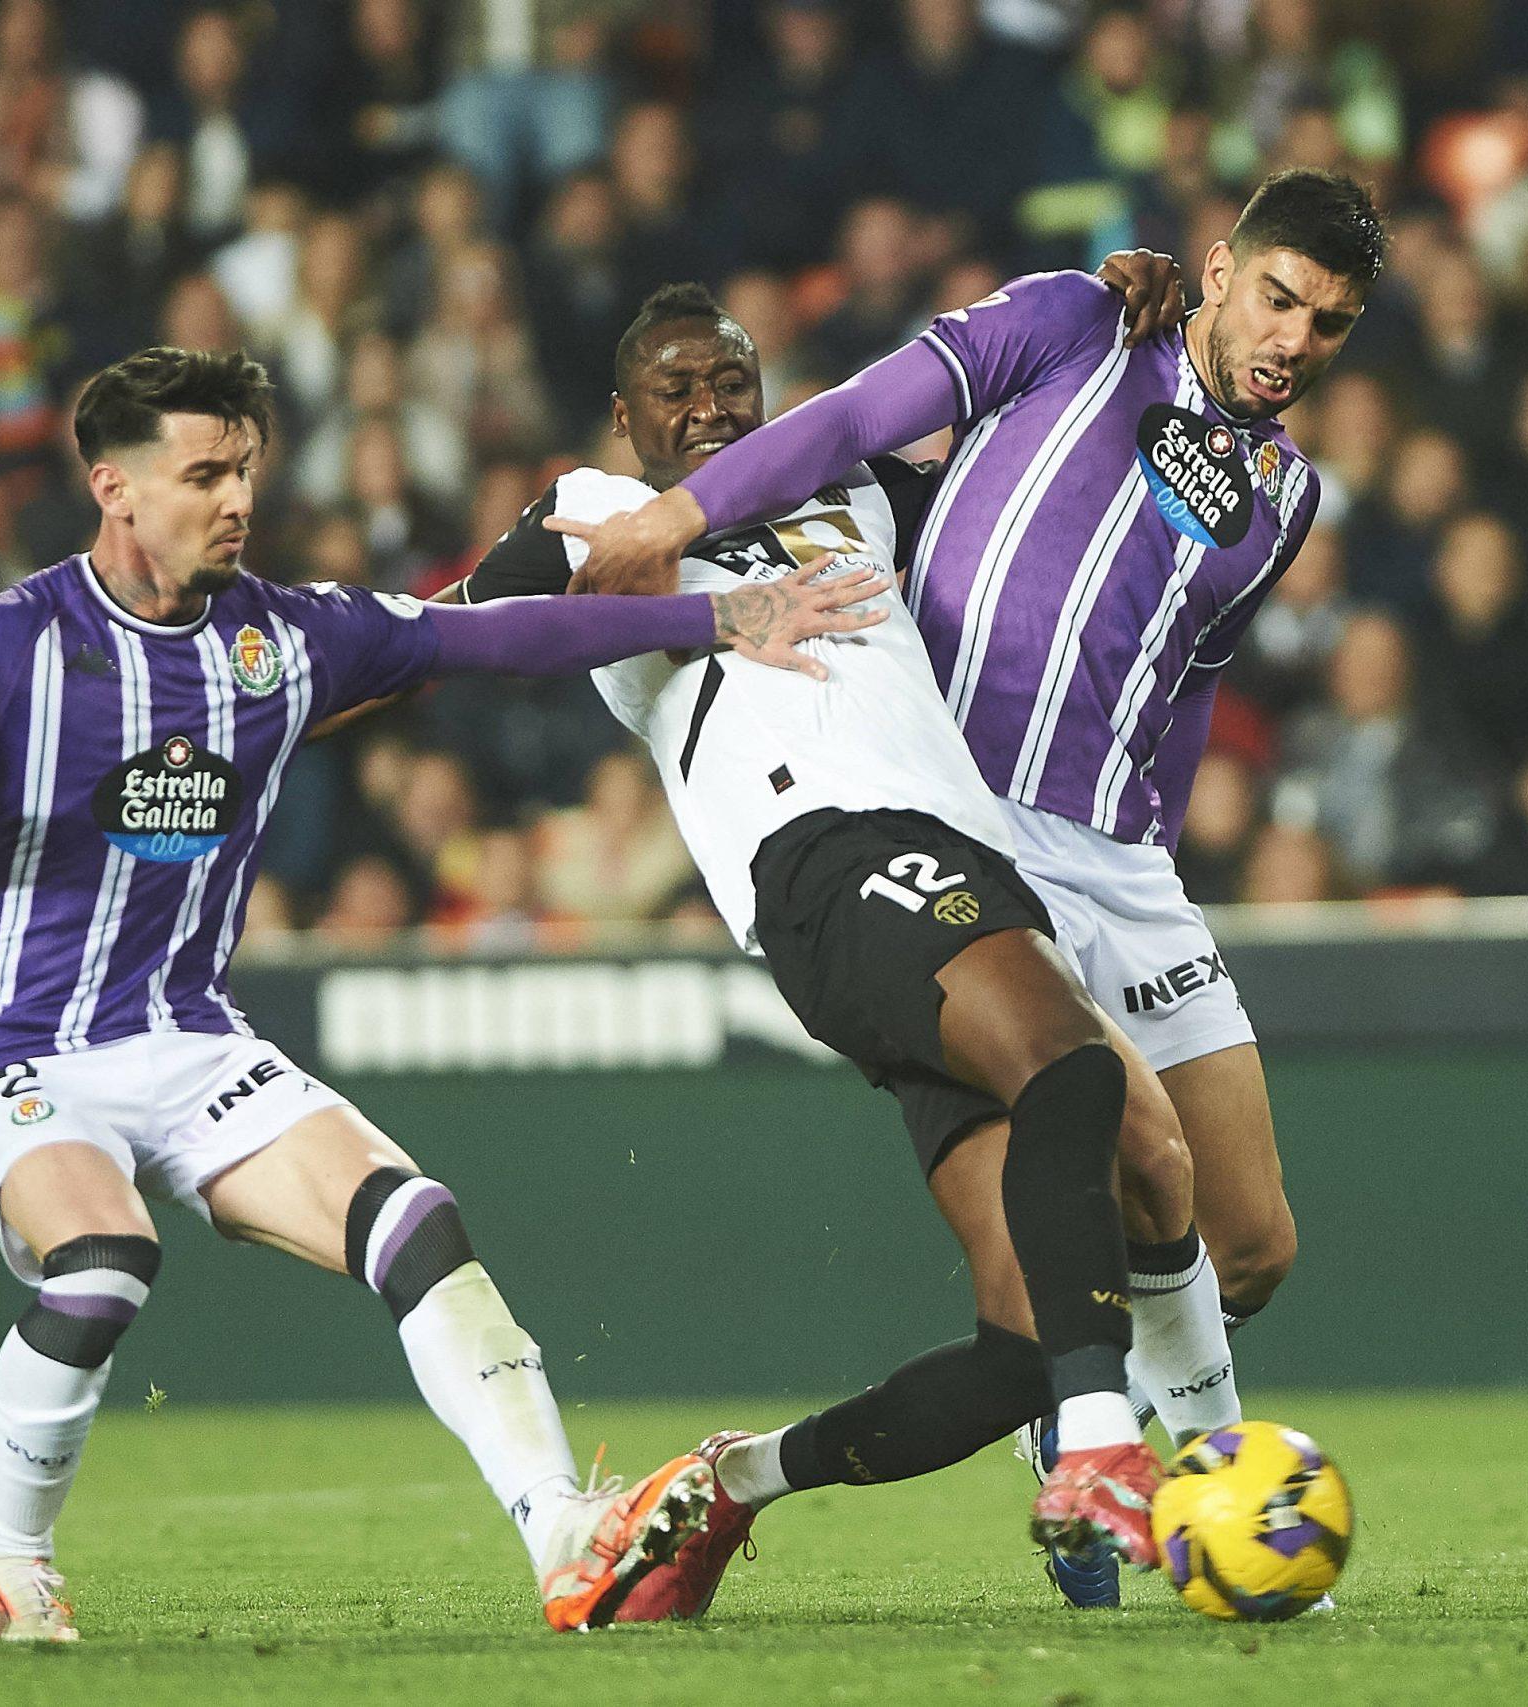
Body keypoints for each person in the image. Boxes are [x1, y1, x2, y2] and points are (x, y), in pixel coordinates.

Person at [0, 345, 883, 1639]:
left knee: (418, 1224)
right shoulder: (8, 646)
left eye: (245, 469)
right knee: (107, 1260)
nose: (235, 498)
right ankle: (6, 1563)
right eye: (203, 474)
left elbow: (508, 633)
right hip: (28, 1049)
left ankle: (566, 1536)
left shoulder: (285, 637)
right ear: (114, 487)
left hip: (186, 1038)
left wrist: (716, 617)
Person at [557, 169, 1383, 1607]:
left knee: (1250, 1247)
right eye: (1276, 298)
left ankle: (1087, 1404)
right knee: (1133, 1150)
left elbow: (1186, 681)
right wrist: (683, 508)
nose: (1293, 340)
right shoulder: (1078, 322)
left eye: (1330, 324)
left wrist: (1156, 846)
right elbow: (857, 419)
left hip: (1122, 858)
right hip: (965, 817)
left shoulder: (1285, 499)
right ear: (1218, 268)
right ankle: (1193, 1481)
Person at [450, 259, 1237, 1617]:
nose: (708, 407)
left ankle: (727, 1485)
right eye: (674, 389)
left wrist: (1141, 321)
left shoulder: (861, 490)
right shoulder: (599, 515)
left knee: (1024, 1339)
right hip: (824, 850)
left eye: (731, 381)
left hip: (956, 870)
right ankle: (1109, 1449)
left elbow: (1051, 476)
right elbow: (447, 642)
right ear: (624, 420)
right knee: (1076, 1071)